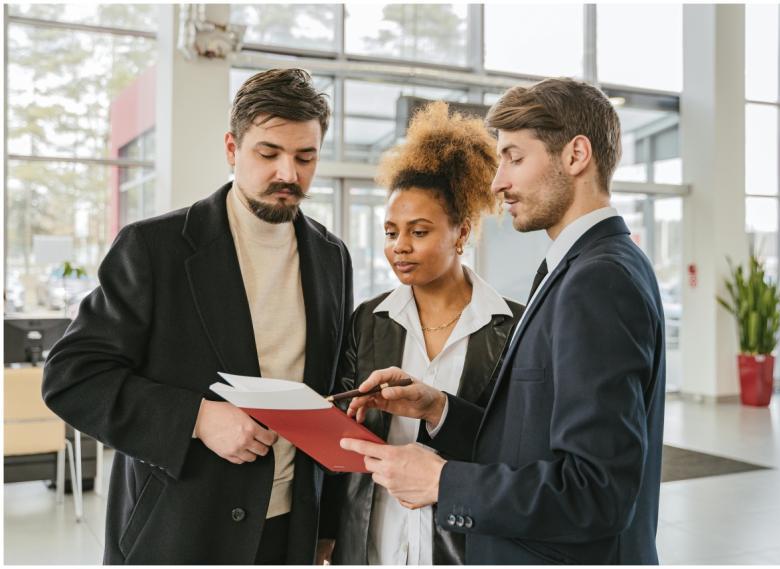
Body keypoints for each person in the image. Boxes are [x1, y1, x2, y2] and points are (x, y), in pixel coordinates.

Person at [342, 77, 667, 565]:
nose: (498, 183)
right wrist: (438, 408)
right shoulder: (579, 268)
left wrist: (442, 481)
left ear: (576, 155)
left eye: (514, 158)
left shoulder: (598, 280)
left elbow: (596, 491)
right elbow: (527, 441)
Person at [42, 68, 352, 565]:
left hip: (290, 532)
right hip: (179, 530)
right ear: (232, 148)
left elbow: (331, 388)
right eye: (268, 153)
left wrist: (328, 525)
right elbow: (72, 377)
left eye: (305, 157)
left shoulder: (332, 256)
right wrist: (198, 419)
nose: (288, 174)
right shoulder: (153, 248)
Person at [329, 102, 523, 565]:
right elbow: (344, 440)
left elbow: (514, 448)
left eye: (418, 232)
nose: (400, 247)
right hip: (374, 543)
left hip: (462, 546)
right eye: (391, 232)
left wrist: (439, 411)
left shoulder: (513, 327)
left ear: (462, 233)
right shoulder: (368, 320)